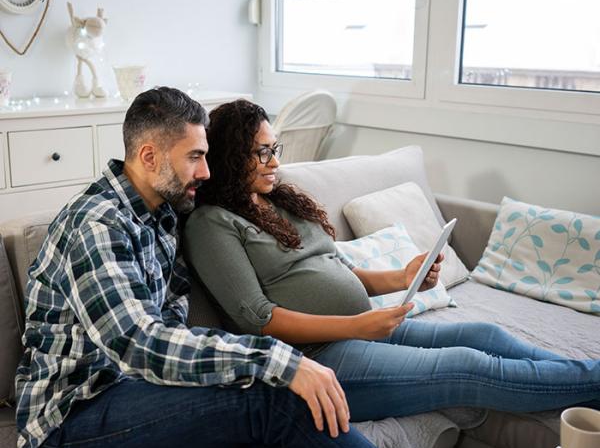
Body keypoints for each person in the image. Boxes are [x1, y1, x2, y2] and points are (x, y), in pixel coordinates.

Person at [184, 98, 600, 424]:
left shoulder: (280, 201)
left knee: (484, 335)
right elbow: (258, 319)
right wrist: (356, 325)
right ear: (229, 157)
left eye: (274, 149)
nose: (275, 162)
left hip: (359, 334)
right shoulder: (211, 223)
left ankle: (587, 380)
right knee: (468, 367)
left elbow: (339, 272)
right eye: (260, 153)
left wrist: (403, 277)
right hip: (316, 361)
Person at [15, 87, 378, 448]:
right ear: (149, 156)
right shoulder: (97, 225)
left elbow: (174, 326)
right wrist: (278, 359)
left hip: (137, 389)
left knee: (262, 396)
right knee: (276, 400)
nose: (206, 171)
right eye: (195, 157)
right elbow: (140, 343)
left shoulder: (162, 216)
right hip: (73, 415)